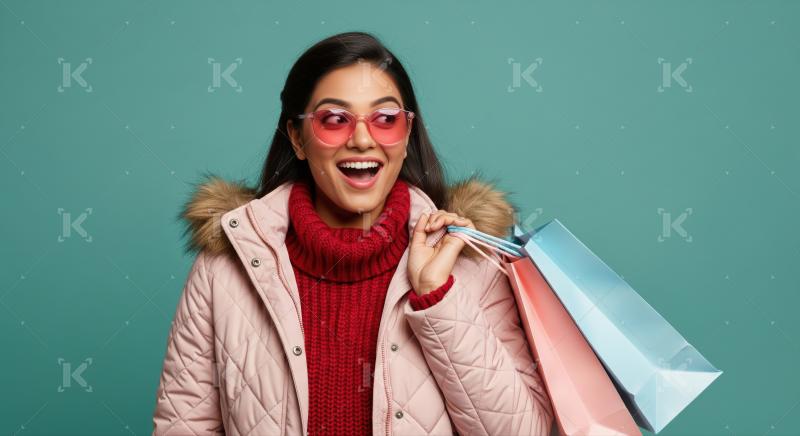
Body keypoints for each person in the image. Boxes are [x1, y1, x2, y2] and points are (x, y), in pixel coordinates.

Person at [152, 31, 553, 436]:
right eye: (335, 120)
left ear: (407, 134)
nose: (362, 140)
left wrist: (436, 296)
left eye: (385, 119)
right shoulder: (224, 270)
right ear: (297, 138)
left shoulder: (469, 260)